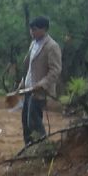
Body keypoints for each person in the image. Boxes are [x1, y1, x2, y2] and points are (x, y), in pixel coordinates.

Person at [18, 16, 62, 145]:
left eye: (35, 29)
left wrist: (42, 84)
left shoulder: (52, 46)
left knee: (34, 121)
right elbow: (29, 66)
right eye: (31, 29)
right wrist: (23, 81)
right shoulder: (33, 44)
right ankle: (29, 147)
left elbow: (55, 70)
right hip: (28, 88)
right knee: (25, 121)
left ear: (44, 29)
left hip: (40, 91)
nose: (32, 32)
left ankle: (43, 147)